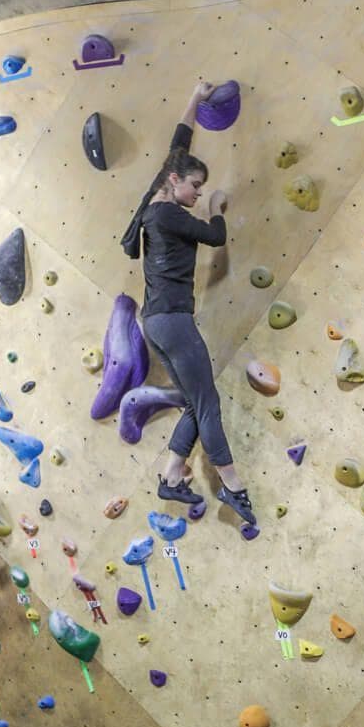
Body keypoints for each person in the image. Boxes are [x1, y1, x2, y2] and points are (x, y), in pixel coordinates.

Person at [131, 81, 255, 528]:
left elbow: (179, 143)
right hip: (173, 321)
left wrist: (195, 98)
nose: (199, 193)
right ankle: (233, 486)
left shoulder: (154, 203)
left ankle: (171, 476)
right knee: (207, 403)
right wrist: (217, 207)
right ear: (174, 181)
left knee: (192, 401)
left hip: (156, 322)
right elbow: (215, 236)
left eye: (203, 190)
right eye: (196, 187)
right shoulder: (171, 214)